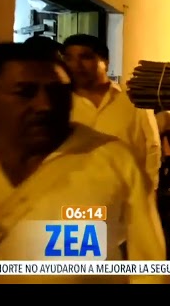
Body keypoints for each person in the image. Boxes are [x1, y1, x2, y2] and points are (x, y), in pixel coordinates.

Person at [0, 43, 169, 283]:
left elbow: (148, 267)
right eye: (25, 92)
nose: (45, 106)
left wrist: (150, 186)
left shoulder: (115, 158)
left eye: (58, 93)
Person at [62, 34, 161, 194]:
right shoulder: (59, 104)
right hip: (74, 201)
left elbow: (152, 147)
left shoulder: (133, 100)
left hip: (124, 199)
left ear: (105, 63)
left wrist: (149, 192)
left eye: (85, 57)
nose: (76, 65)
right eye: (69, 58)